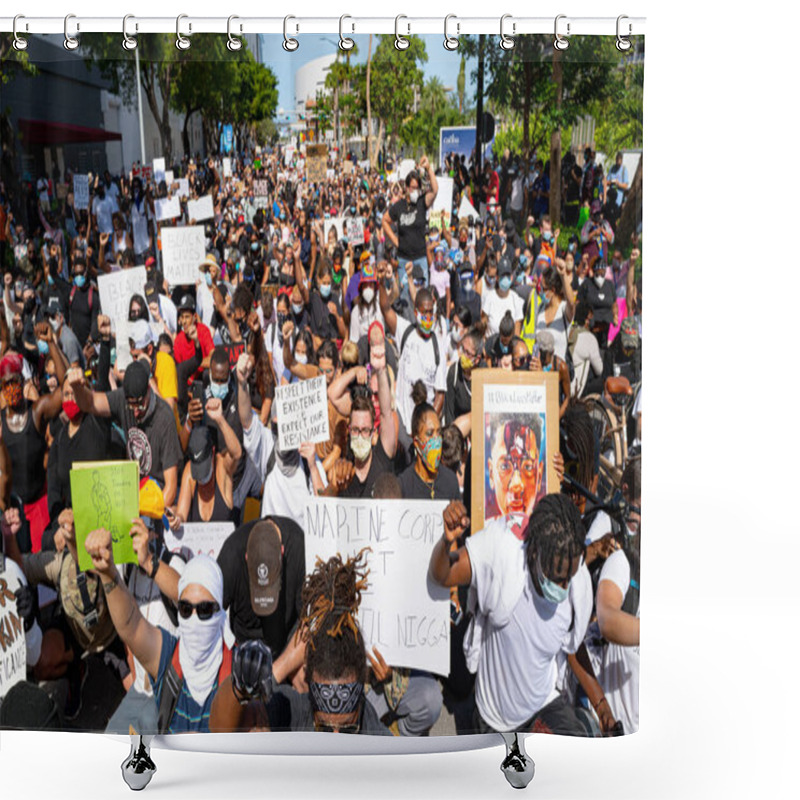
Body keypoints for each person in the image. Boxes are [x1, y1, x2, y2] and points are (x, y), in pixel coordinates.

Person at [429, 494, 592, 735]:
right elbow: (442, 575)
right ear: (535, 553)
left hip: (544, 703)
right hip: (496, 718)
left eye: (570, 576)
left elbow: (572, 648)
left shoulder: (575, 576)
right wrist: (446, 542)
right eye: (557, 577)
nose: (564, 585)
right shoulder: (503, 552)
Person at [209, 551, 390, 735]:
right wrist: (240, 686)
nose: (336, 740)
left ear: (361, 699)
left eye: (348, 730)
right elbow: (221, 730)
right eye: (324, 728)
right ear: (308, 686)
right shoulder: (292, 711)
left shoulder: (377, 736)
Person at [84, 527, 229, 734]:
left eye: (205, 610)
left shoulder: (237, 672)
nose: (195, 618)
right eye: (186, 609)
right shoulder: (170, 656)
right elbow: (131, 627)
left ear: (220, 611)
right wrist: (108, 574)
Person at [67, 360, 182, 506]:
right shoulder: (122, 399)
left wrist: (144, 512)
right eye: (131, 405)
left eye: (140, 404)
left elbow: (170, 490)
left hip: (157, 496)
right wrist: (77, 388)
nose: (135, 411)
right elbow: (90, 403)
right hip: (133, 492)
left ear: (148, 390)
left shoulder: (165, 418)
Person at [379, 275, 446, 449]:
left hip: (422, 432)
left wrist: (427, 424)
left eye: (431, 312)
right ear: (416, 313)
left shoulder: (438, 345)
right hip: (401, 424)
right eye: (424, 312)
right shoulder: (405, 331)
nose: (428, 317)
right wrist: (380, 282)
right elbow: (385, 308)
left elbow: (440, 394)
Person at [383, 157, 439, 287]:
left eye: (417, 188)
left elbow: (435, 190)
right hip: (404, 259)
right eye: (412, 187)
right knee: (405, 296)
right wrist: (395, 241)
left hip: (420, 258)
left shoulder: (421, 202)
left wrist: (428, 168)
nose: (415, 191)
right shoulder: (399, 206)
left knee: (422, 295)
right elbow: (385, 220)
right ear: (406, 188)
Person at [398, 387, 460, 501]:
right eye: (429, 433)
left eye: (439, 432)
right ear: (416, 443)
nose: (436, 439)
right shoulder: (404, 485)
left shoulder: (450, 481)